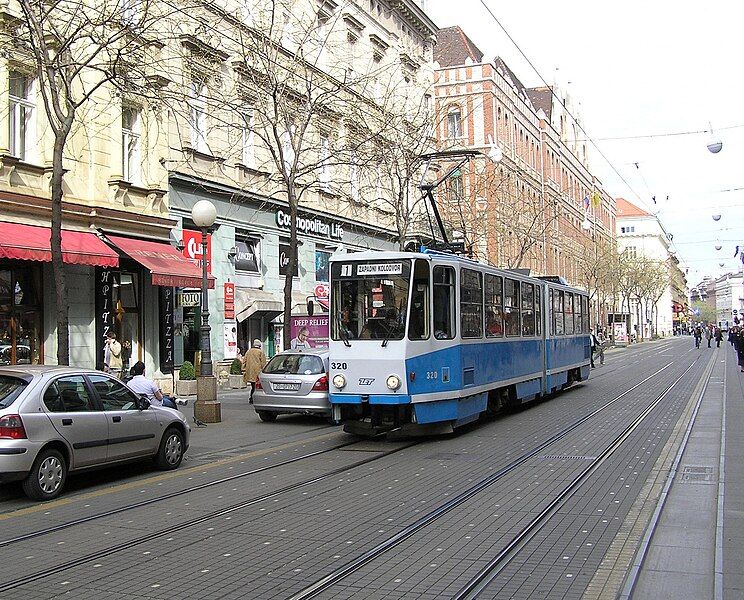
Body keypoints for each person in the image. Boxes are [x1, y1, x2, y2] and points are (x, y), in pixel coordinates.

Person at [242, 339, 267, 403]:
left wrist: (243, 369)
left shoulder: (249, 351)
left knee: (253, 385)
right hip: (258, 372)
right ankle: (253, 398)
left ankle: (251, 398)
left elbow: (244, 361)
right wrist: (265, 370)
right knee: (257, 387)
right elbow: (263, 362)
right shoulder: (260, 352)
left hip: (250, 371)